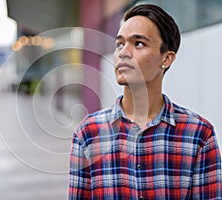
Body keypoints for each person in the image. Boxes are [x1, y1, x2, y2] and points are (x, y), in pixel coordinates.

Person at [69, 4, 222, 199]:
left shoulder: (199, 135)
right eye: (119, 44)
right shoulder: (88, 133)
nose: (123, 53)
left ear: (166, 59)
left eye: (138, 43)